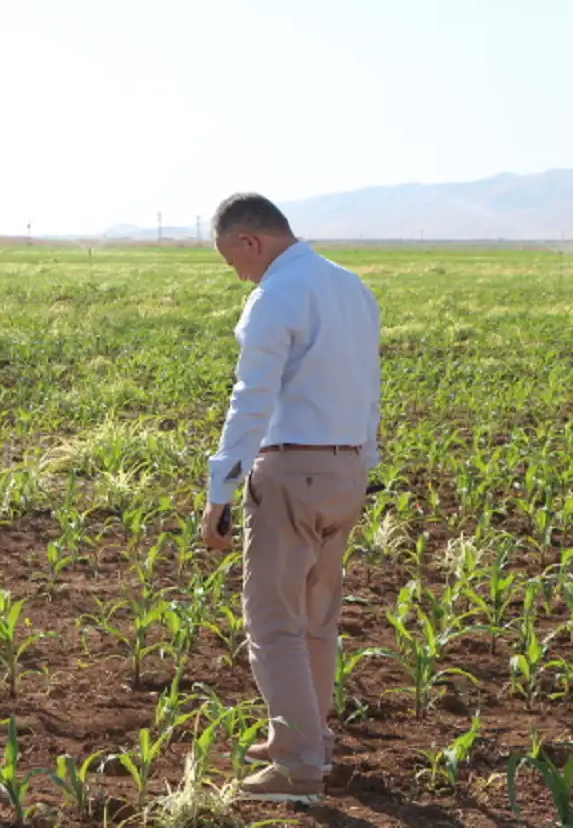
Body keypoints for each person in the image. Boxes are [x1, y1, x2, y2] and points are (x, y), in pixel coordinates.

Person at [200, 192, 381, 804]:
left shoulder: (275, 295)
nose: (238, 272)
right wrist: (366, 462)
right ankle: (308, 738)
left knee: (274, 623)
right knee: (316, 622)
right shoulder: (351, 286)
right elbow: (368, 384)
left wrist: (219, 490)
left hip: (291, 471)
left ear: (249, 241)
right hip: (347, 469)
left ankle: (298, 767)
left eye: (233, 259)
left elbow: (250, 399)